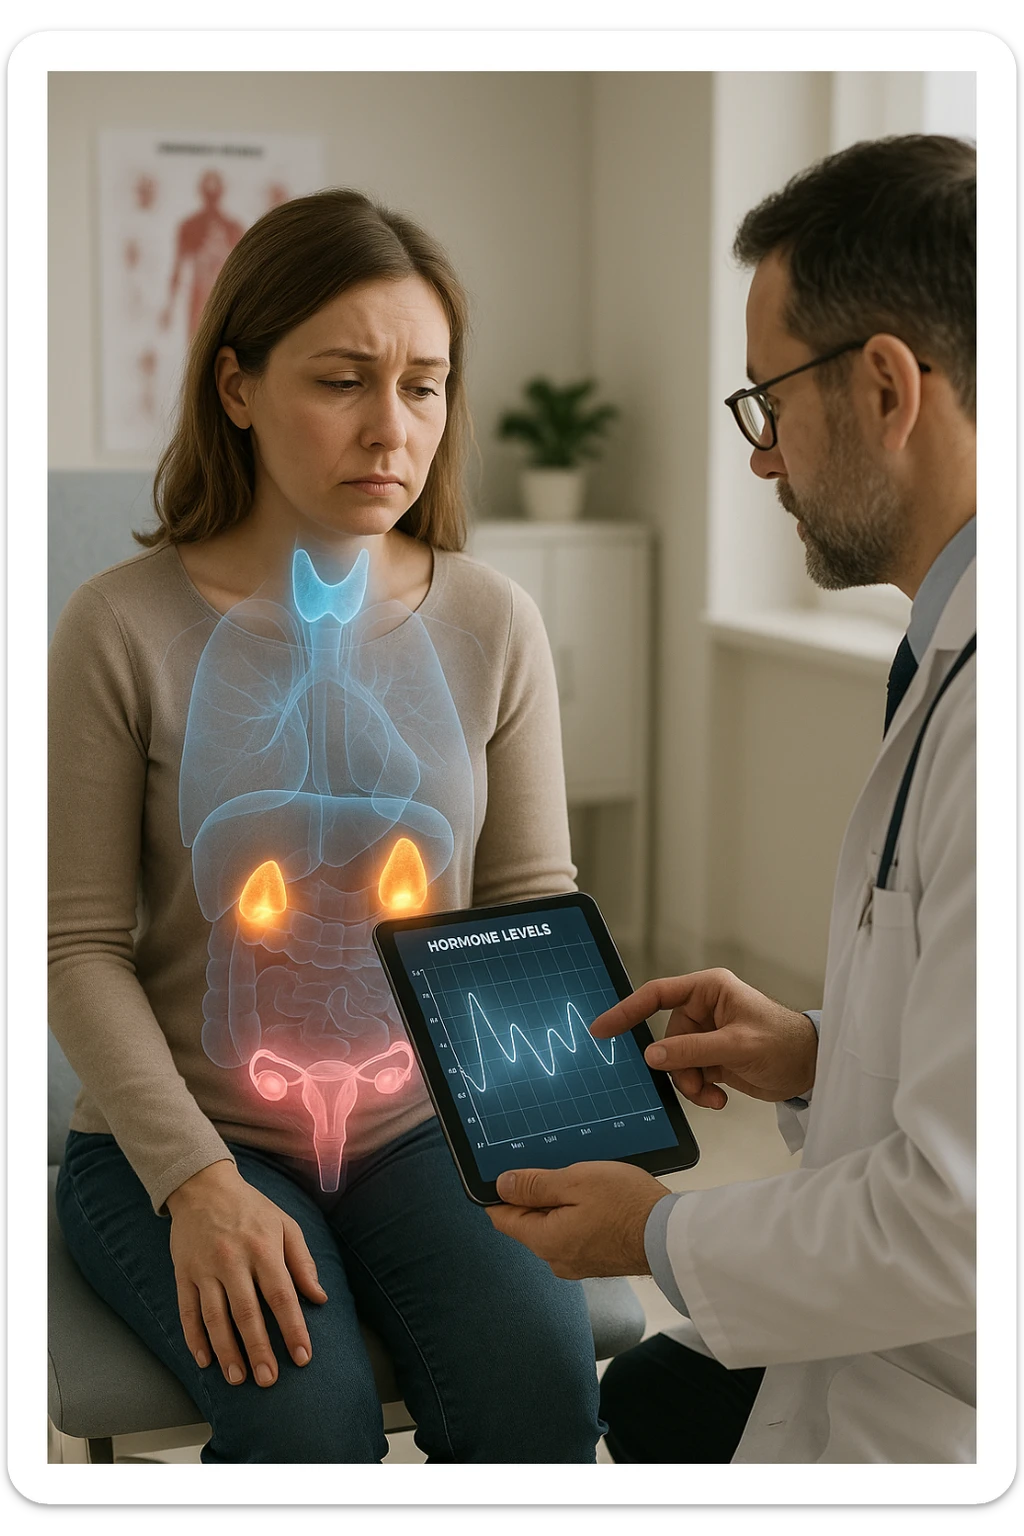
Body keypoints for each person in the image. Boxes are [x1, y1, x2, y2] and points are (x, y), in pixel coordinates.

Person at [49, 188, 603, 1464]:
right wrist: (196, 1185)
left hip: (427, 1131)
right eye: (344, 380)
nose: (390, 430)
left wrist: (580, 1143)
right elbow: (75, 945)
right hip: (181, 1141)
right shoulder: (119, 627)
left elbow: (528, 908)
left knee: (539, 1400)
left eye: (425, 387)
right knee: (309, 1421)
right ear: (236, 387)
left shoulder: (491, 621)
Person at [488, 135, 977, 1465]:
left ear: (884, 387)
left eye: (768, 400)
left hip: (947, 1402)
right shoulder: (945, 656)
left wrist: (644, 1232)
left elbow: (963, 1223)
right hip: (895, 1343)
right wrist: (817, 1052)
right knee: (652, 1404)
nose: (761, 460)